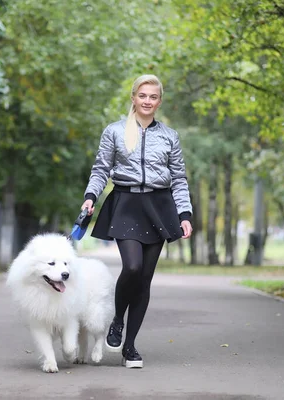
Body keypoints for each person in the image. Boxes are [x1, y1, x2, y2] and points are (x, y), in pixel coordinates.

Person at [80, 74, 193, 369]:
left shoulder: (170, 136)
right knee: (132, 267)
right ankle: (117, 319)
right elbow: (101, 168)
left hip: (159, 205)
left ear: (159, 101)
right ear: (133, 98)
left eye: (153, 97)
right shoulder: (115, 131)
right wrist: (91, 196)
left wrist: (185, 214)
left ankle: (130, 347)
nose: (147, 101)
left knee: (145, 279)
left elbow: (179, 178)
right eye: (142, 95)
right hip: (126, 204)